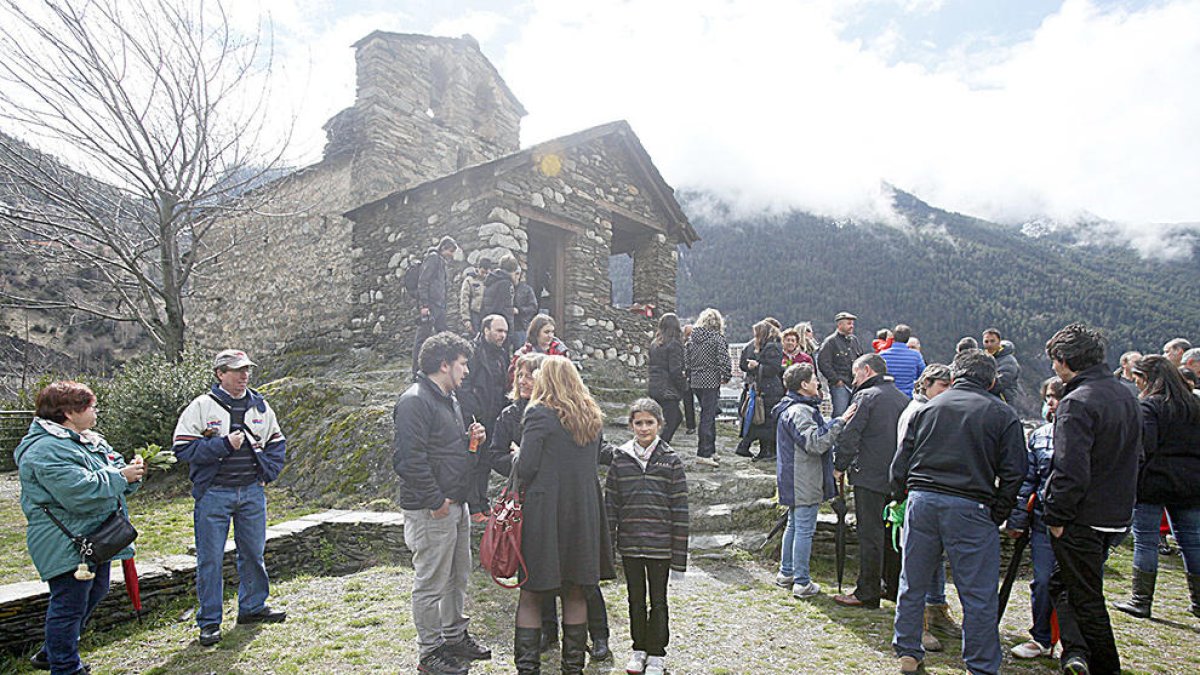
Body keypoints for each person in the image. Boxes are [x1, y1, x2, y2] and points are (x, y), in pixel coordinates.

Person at [889, 349, 1026, 675]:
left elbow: (900, 463)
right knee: (977, 594)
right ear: (992, 380)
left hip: (922, 500)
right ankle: (979, 666)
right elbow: (1015, 471)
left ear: (954, 376)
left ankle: (908, 652)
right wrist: (998, 512)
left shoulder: (927, 408)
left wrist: (902, 496)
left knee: (912, 582)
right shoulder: (1003, 414)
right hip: (971, 504)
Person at [15, 381, 145, 674]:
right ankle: (65, 667)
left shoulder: (88, 439)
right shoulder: (44, 450)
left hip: (95, 538)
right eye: (90, 406)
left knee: (95, 592)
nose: (95, 411)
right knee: (69, 605)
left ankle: (52, 652)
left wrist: (132, 475)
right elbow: (77, 491)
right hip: (66, 541)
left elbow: (114, 473)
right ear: (69, 413)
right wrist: (121, 476)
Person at [1043, 323, 1141, 675]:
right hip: (1115, 511)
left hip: (1082, 515)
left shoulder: (1076, 403)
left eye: (1055, 361)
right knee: (1064, 583)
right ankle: (1076, 655)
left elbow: (1070, 469)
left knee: (1086, 598)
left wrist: (1055, 515)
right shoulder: (1127, 394)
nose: (1054, 368)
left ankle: (1104, 665)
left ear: (1065, 360)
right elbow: (1137, 455)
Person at [172, 349, 287, 647]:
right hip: (214, 495)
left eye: (246, 370)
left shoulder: (261, 406)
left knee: (253, 553)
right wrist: (223, 445)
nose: (243, 376)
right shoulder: (201, 406)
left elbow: (277, 442)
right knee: (209, 559)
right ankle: (210, 622)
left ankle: (252, 608)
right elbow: (183, 449)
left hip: (251, 492)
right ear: (220, 374)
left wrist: (268, 473)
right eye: (236, 371)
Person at [393, 332, 492, 675]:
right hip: (431, 508)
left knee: (457, 576)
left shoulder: (450, 399)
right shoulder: (414, 400)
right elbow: (408, 460)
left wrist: (472, 444)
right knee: (432, 582)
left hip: (455, 504)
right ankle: (430, 652)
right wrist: (435, 501)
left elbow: (447, 454)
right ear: (444, 364)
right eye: (462, 364)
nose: (466, 371)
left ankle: (453, 636)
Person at [512, 356, 614, 675]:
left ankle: (528, 669)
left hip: (545, 512)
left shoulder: (539, 414)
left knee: (531, 593)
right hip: (583, 512)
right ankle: (573, 669)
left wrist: (516, 457)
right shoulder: (592, 417)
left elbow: (527, 467)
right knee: (575, 590)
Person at [1112, 355, 1200, 620]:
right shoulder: (1195, 405)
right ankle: (1198, 602)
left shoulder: (1149, 406)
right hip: (1191, 482)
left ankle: (1141, 599)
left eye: (1138, 378)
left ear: (1147, 378)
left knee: (1146, 540)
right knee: (1192, 542)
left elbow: (1145, 447)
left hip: (1154, 481)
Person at [605, 398, 689, 675]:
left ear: (660, 425)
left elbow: (680, 511)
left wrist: (679, 558)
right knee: (635, 600)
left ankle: (657, 653)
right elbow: (611, 505)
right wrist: (608, 545)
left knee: (659, 600)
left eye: (649, 422)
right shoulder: (620, 458)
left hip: (660, 546)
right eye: (638, 423)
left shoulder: (671, 461)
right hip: (630, 544)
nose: (643, 428)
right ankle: (638, 649)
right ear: (631, 425)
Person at [832, 353, 909, 610]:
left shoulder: (866, 397)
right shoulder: (902, 398)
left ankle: (867, 591)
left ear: (866, 371)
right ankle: (892, 586)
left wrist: (839, 466)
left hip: (869, 475)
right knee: (893, 534)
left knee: (870, 534)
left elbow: (850, 435)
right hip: (896, 477)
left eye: (855, 374)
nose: (854, 380)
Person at [773, 363, 855, 598]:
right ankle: (802, 582)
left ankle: (786, 572)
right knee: (804, 529)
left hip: (794, 476)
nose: (818, 383)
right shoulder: (800, 411)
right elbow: (815, 443)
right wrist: (839, 422)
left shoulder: (790, 408)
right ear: (803, 385)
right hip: (803, 478)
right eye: (814, 379)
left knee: (794, 524)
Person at [895, 364, 957, 654]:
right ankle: (918, 628)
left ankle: (936, 609)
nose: (947, 392)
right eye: (942, 386)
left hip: (928, 492)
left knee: (933, 561)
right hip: (918, 492)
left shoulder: (930, 410)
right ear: (926, 384)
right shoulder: (917, 413)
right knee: (917, 565)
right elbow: (905, 455)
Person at [1007, 376, 1066, 660]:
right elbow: (1028, 480)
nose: (1051, 403)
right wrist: (1018, 519)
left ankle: (1072, 641)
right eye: (1048, 397)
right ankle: (1041, 637)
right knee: (1042, 580)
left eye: (1056, 396)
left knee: (1076, 584)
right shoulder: (1039, 435)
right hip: (1044, 519)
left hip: (1078, 523)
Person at [459, 314, 511, 519]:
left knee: (486, 463)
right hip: (476, 418)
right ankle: (473, 506)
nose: (503, 335)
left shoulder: (501, 354)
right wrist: (474, 415)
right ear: (486, 330)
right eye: (499, 331)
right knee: (473, 461)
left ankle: (482, 502)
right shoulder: (473, 352)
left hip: (495, 417)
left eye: (505, 331)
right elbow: (464, 385)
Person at [685, 308, 732, 468]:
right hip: (711, 381)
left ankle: (711, 450)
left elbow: (687, 361)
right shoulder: (716, 339)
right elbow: (724, 359)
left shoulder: (692, 339)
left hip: (696, 382)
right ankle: (703, 453)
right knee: (707, 416)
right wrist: (726, 375)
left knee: (708, 414)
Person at [735, 320, 785, 462]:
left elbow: (744, 364)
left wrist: (754, 367)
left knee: (758, 418)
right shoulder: (773, 346)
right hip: (768, 388)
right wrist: (757, 367)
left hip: (760, 386)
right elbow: (773, 369)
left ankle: (756, 448)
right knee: (765, 419)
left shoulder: (758, 346)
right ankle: (766, 451)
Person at [413, 236, 460, 375]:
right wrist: (424, 305)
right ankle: (416, 372)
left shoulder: (442, 262)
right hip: (431, 305)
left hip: (439, 306)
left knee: (444, 337)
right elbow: (423, 281)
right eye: (450, 251)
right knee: (422, 339)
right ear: (444, 247)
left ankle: (442, 367)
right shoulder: (433, 258)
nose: (451, 255)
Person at [647, 313, 688, 444]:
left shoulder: (655, 344)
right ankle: (658, 448)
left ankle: (657, 446)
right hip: (667, 389)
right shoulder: (674, 344)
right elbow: (675, 370)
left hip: (654, 386)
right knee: (673, 419)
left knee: (671, 419)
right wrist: (684, 386)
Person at [817, 311, 864, 417]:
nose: (851, 326)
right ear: (839, 325)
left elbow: (861, 359)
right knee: (840, 414)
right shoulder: (830, 342)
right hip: (840, 386)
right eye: (848, 323)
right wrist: (836, 380)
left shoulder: (854, 341)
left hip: (854, 384)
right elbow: (823, 363)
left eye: (852, 324)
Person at [509, 314, 570, 385]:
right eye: (546, 332)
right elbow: (513, 378)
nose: (550, 335)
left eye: (552, 332)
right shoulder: (523, 354)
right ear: (536, 332)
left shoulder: (560, 352)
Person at [879, 324, 927, 399]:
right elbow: (923, 375)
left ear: (893, 337)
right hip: (907, 397)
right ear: (908, 339)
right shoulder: (916, 356)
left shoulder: (882, 355)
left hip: (887, 397)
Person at [481, 256, 518, 342]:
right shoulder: (506, 284)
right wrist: (509, 330)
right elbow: (506, 307)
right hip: (501, 324)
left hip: (490, 322)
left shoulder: (490, 281)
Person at [982, 328, 1021, 405]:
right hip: (988, 401)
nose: (989, 344)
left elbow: (1001, 383)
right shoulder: (984, 359)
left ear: (999, 342)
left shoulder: (1009, 361)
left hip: (1003, 402)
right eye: (986, 341)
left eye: (992, 341)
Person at [459, 257, 493, 335]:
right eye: (483, 272)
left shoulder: (492, 281)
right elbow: (464, 300)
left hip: (488, 313)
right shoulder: (469, 280)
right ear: (478, 268)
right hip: (475, 314)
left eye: (487, 273)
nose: (484, 275)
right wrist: (466, 319)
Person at [513, 268, 540, 350]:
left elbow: (533, 307)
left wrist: (519, 311)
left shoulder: (527, 290)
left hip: (521, 326)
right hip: (507, 325)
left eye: (517, 274)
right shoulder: (504, 287)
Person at [681, 324, 697, 435]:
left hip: (689, 375)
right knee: (688, 402)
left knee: (688, 402)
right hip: (689, 376)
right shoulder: (688, 345)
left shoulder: (684, 345)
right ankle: (691, 425)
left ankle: (691, 426)